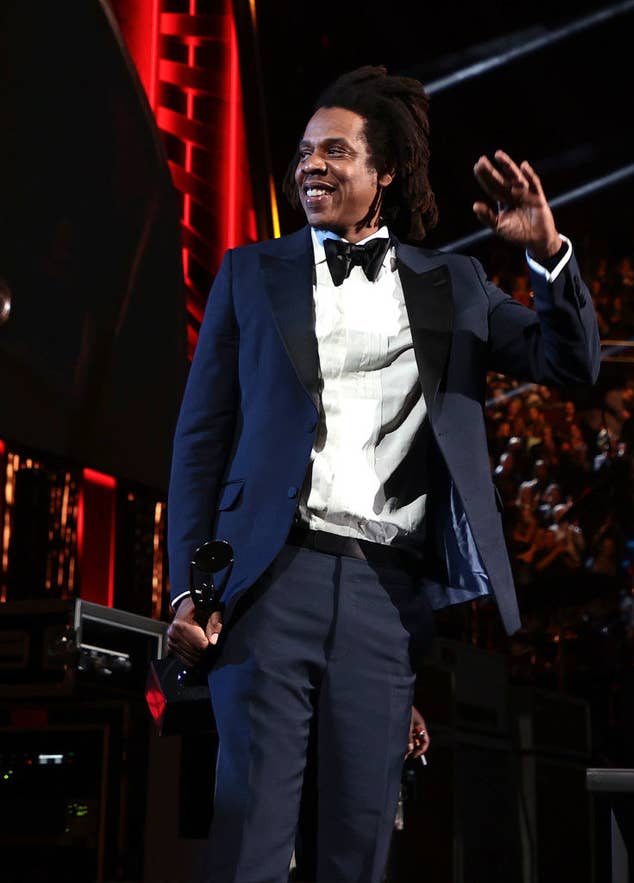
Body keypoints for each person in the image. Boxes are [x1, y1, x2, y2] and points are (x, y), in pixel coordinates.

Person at [165, 64, 600, 883]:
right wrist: (187, 591)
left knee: (360, 849)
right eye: (303, 153)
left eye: (335, 150)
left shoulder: (454, 286)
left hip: (385, 595)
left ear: (385, 170)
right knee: (248, 839)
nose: (311, 166)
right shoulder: (249, 274)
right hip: (268, 581)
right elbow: (198, 443)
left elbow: (569, 363)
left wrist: (547, 253)